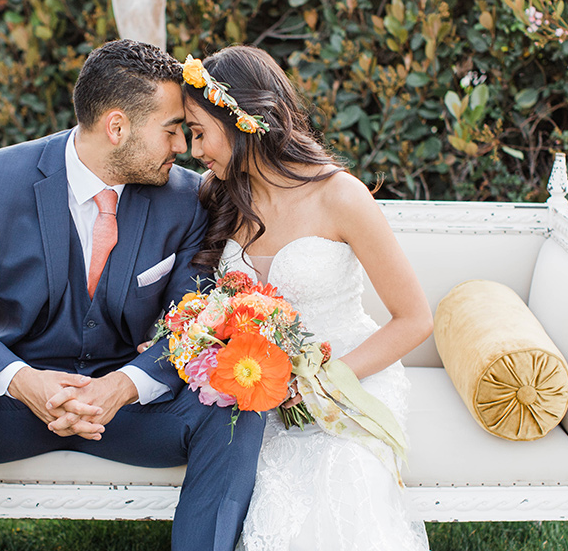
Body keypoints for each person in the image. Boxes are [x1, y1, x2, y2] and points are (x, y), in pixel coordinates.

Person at [0, 39, 265, 551]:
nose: (183, 146)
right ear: (117, 128)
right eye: (172, 130)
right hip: (16, 400)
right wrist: (25, 382)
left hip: (130, 408)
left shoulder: (188, 200)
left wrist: (121, 387)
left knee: (235, 411)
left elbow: (193, 324)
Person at [179, 46, 434, 550]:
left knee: (338, 477)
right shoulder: (219, 197)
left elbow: (414, 319)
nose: (193, 149)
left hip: (351, 375)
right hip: (256, 391)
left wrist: (323, 383)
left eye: (198, 131)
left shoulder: (340, 196)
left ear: (241, 122)